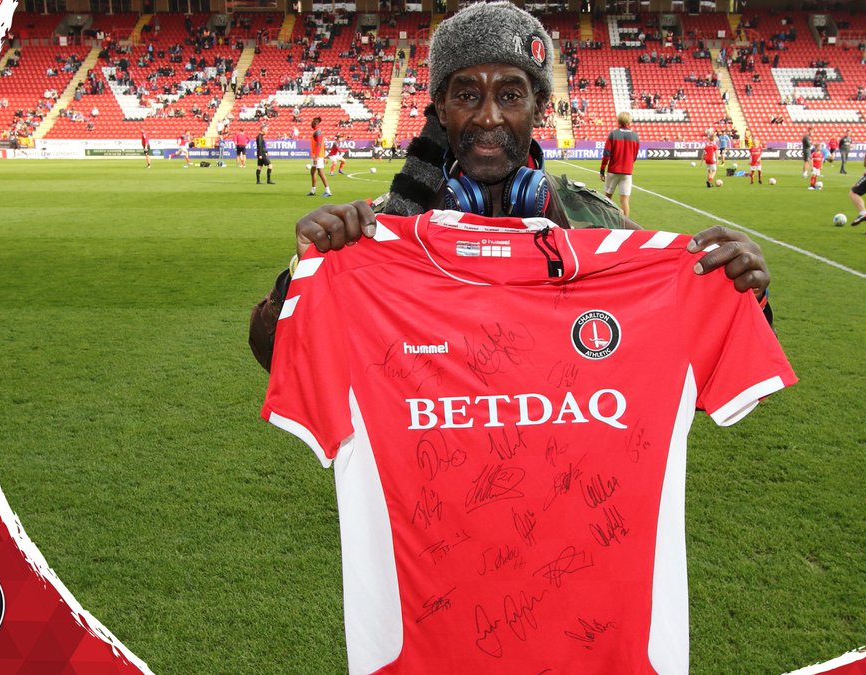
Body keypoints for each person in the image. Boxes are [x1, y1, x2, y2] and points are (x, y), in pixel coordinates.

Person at [249, 4, 786, 672]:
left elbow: (702, 375)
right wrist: (305, 275)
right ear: (439, 109)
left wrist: (744, 296)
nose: (488, 117)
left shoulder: (597, 225)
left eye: (510, 94)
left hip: (588, 618)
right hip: (437, 619)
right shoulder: (379, 232)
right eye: (466, 94)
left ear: (540, 107)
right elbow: (281, 356)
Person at [599, 111, 639, 217]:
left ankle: (606, 219)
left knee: (607, 197)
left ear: (619, 120)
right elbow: (635, 156)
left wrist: (602, 170)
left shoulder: (613, 134)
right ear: (629, 121)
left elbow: (606, 154)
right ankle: (625, 223)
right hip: (627, 172)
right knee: (624, 200)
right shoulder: (635, 136)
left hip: (613, 170)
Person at [307, 117, 332, 197]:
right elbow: (323, 145)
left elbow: (319, 144)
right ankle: (313, 191)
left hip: (317, 156)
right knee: (312, 171)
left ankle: (328, 191)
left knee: (320, 172)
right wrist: (323, 157)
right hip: (317, 155)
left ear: (316, 123)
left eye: (312, 122)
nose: (311, 124)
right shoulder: (316, 132)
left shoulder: (318, 132)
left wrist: (317, 156)